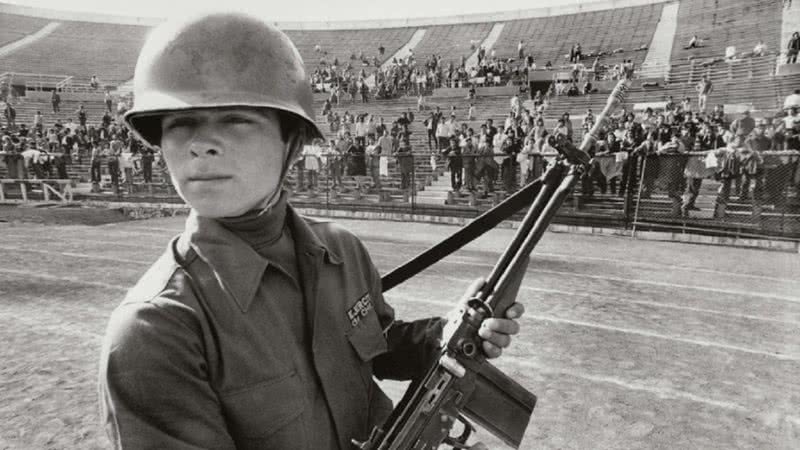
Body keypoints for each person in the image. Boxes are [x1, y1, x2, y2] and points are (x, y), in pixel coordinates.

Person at [100, 12, 527, 450]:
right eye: (178, 123)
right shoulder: (155, 329)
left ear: (292, 140)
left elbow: (377, 348)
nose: (200, 143)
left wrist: (449, 332)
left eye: (234, 119)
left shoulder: (341, 252)